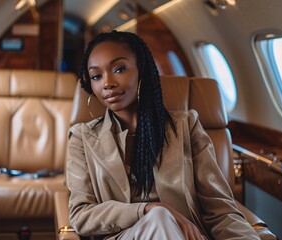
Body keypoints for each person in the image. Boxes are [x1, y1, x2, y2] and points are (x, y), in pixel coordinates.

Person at [66, 30, 260, 240]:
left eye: (119, 69)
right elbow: (81, 215)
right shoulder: (81, 137)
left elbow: (220, 211)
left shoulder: (186, 126)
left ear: (142, 70)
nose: (107, 83)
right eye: (96, 76)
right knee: (159, 218)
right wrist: (148, 209)